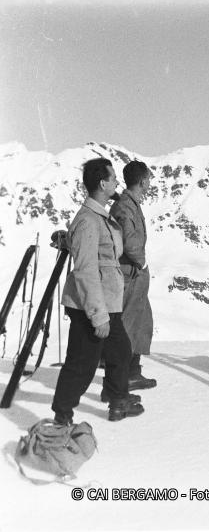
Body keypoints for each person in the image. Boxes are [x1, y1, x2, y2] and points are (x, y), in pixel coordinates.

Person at [51, 158, 144, 424]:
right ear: (103, 184)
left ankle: (118, 401)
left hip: (106, 301)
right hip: (90, 305)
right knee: (82, 364)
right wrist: (98, 315)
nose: (117, 183)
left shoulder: (99, 217)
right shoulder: (88, 221)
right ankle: (62, 416)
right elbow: (85, 271)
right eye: (114, 179)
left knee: (121, 351)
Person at [110, 160, 158, 393]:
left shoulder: (129, 204)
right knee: (128, 327)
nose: (150, 183)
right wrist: (142, 261)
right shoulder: (124, 207)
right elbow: (129, 241)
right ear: (141, 181)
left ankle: (132, 373)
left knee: (140, 323)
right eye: (148, 179)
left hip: (134, 275)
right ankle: (120, 380)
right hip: (130, 274)